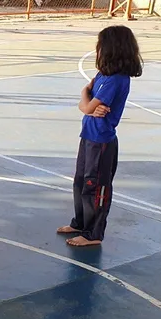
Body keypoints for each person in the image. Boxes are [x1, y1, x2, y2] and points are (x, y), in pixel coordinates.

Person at [57, 25, 140, 247]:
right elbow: (85, 103)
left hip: (101, 141)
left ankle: (93, 233)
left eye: (101, 46)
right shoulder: (103, 75)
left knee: (96, 186)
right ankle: (80, 222)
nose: (97, 50)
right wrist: (87, 100)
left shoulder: (116, 80)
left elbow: (85, 106)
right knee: (80, 181)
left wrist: (87, 104)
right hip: (88, 135)